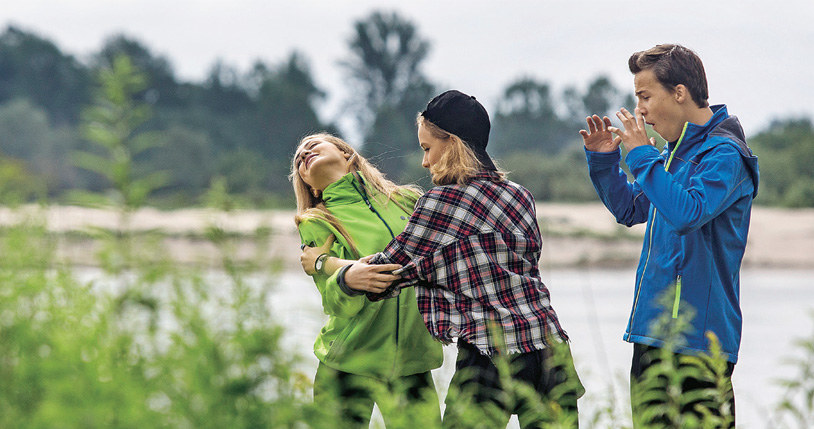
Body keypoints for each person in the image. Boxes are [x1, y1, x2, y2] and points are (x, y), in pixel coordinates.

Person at [305, 90, 583, 428]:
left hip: (489, 354)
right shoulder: (520, 195)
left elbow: (385, 274)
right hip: (549, 348)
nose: (425, 162)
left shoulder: (441, 203)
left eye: (427, 148)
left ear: (450, 144)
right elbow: (527, 264)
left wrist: (324, 263)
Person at [579, 44, 759, 427]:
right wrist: (604, 161)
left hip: (701, 342)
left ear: (679, 92)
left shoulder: (725, 154)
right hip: (651, 333)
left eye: (645, 96)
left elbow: (687, 213)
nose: (639, 109)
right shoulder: (672, 155)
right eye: (637, 98)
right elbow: (630, 209)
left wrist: (642, 155)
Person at [290, 133, 443, 428]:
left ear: (348, 155)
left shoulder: (407, 201)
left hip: (413, 365)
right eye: (299, 160)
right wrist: (348, 278)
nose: (304, 154)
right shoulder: (316, 221)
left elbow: (436, 261)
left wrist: (329, 263)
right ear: (311, 186)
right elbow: (334, 302)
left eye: (313, 146)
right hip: (346, 365)